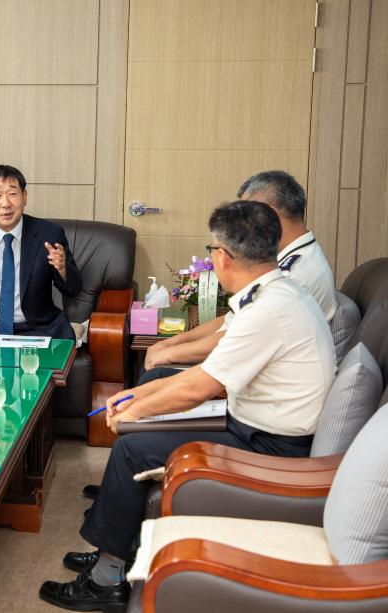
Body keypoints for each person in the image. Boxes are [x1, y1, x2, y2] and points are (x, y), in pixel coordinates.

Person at [38, 201, 336, 611]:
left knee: (132, 447)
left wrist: (136, 411)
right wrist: (138, 398)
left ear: (223, 257)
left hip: (271, 445)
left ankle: (106, 581)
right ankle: (118, 551)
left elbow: (199, 387)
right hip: (255, 425)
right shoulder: (278, 291)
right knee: (142, 425)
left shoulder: (269, 311)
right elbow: (204, 376)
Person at [143, 170, 337, 375]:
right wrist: (170, 343)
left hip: (259, 374)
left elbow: (238, 339)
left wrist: (169, 353)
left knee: (155, 375)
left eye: (247, 215)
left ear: (270, 215)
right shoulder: (286, 259)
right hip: (244, 361)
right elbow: (232, 319)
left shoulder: (294, 275)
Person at [0, 164, 82, 340]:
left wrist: (63, 268)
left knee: (59, 351)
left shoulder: (49, 234)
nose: (5, 204)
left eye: (12, 194)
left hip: (36, 327)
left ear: (24, 197)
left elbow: (74, 289)